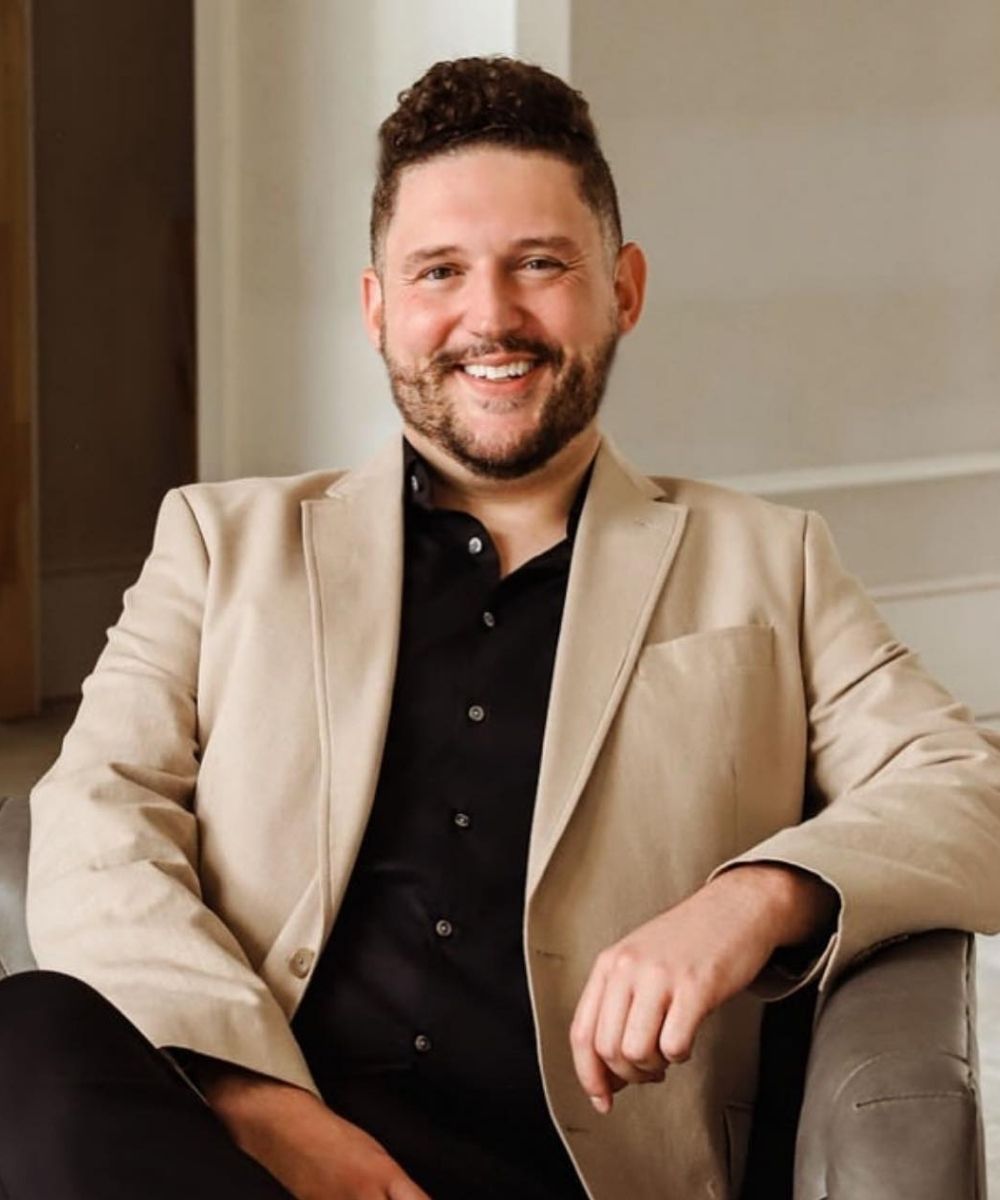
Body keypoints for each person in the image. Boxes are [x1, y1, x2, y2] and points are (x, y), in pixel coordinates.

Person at [3, 55, 999, 1200]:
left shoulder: (768, 559)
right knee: (24, 1036)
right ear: (378, 308)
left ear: (622, 288)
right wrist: (260, 1108)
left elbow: (969, 789)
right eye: (439, 272)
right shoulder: (222, 542)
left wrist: (751, 897)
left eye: (539, 265)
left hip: (574, 1172)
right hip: (244, 1163)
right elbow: (92, 812)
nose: (491, 317)